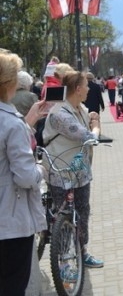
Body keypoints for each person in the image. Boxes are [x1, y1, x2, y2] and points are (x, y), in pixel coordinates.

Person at [42, 70, 104, 268]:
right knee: (63, 216)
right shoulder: (60, 113)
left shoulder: (78, 108)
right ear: (77, 89)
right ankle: (63, 262)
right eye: (86, 85)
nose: (89, 89)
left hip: (80, 171)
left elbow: (87, 115)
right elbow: (88, 136)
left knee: (83, 211)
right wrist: (96, 126)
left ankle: (82, 251)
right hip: (61, 171)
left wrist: (91, 115)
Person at [0, 52, 48, 295]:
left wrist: (27, 123)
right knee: (12, 285)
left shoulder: (13, 122)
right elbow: (26, 177)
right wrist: (41, 170)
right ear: (9, 83)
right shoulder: (10, 122)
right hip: (10, 222)